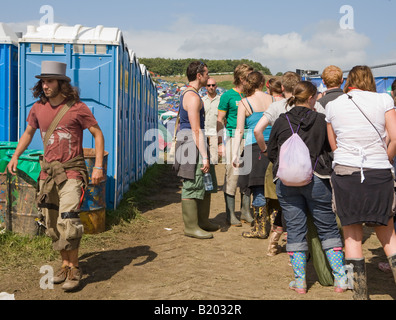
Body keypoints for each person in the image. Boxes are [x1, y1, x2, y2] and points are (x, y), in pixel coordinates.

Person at [6, 61, 104, 292]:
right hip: (47, 174)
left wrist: (98, 166)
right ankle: (64, 264)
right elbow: (28, 133)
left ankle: (75, 268)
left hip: (72, 171)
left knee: (68, 219)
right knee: (52, 222)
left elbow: (97, 134)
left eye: (49, 81)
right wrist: (15, 156)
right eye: (43, 81)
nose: (45, 85)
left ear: (62, 83)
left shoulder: (78, 108)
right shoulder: (37, 108)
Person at [267, 81, 347, 295]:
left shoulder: (282, 121)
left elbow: (271, 151)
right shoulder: (321, 120)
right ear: (311, 98)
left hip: (286, 183)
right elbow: (333, 149)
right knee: (328, 227)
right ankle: (340, 278)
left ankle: (300, 282)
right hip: (318, 180)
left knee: (294, 230)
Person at [326, 66, 396, 300]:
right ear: (371, 80)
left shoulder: (333, 105)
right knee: (388, 234)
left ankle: (360, 294)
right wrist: (384, 158)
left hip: (346, 172)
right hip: (378, 171)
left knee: (351, 235)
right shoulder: (384, 99)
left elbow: (333, 145)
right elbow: (394, 137)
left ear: (349, 81)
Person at [254, 71, 326, 256]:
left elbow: (257, 130)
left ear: (283, 87)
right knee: (303, 209)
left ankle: (274, 243)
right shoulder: (315, 106)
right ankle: (302, 251)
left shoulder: (277, 106)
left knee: (285, 206)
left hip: (281, 164)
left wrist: (267, 151)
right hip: (312, 164)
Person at [174, 61, 218, 239]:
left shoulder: (192, 94)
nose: (208, 77)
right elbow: (195, 129)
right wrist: (205, 156)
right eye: (206, 74)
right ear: (199, 75)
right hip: (190, 143)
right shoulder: (192, 97)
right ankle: (191, 227)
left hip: (193, 142)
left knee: (205, 182)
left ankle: (202, 221)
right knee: (192, 183)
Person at [232, 71, 273, 238]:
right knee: (273, 188)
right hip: (273, 147)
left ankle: (260, 228)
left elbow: (239, 130)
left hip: (253, 148)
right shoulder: (272, 100)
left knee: (258, 189)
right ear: (262, 83)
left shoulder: (244, 103)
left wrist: (235, 153)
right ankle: (274, 226)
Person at [217, 64, 253, 226]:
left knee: (249, 176)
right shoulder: (228, 96)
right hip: (233, 138)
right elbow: (219, 120)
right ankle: (230, 214)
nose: (252, 80)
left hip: (250, 139)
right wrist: (220, 142)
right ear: (241, 78)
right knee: (233, 175)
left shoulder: (251, 95)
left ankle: (245, 211)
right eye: (249, 77)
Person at [202, 78, 220, 164]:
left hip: (215, 134)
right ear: (206, 87)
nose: (211, 87)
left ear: (216, 86)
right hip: (204, 133)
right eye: (209, 85)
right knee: (203, 160)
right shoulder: (202, 100)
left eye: (213, 85)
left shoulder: (221, 100)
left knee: (213, 161)